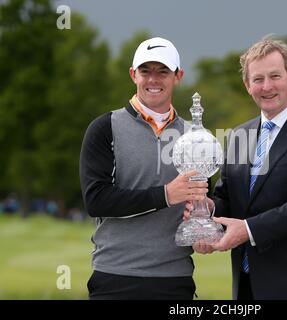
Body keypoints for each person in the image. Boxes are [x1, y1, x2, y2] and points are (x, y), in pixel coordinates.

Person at [190, 38, 287, 299]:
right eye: (258, 79)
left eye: (275, 76)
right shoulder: (238, 135)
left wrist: (248, 230)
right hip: (249, 287)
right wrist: (207, 213)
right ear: (247, 85)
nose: (267, 87)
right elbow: (227, 197)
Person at [79, 37, 209, 300]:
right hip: (116, 278)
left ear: (178, 76)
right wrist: (165, 195)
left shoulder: (194, 136)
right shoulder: (105, 127)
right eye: (145, 71)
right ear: (132, 74)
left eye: (162, 71)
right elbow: (96, 200)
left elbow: (206, 197)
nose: (153, 79)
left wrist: (207, 213)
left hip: (176, 279)